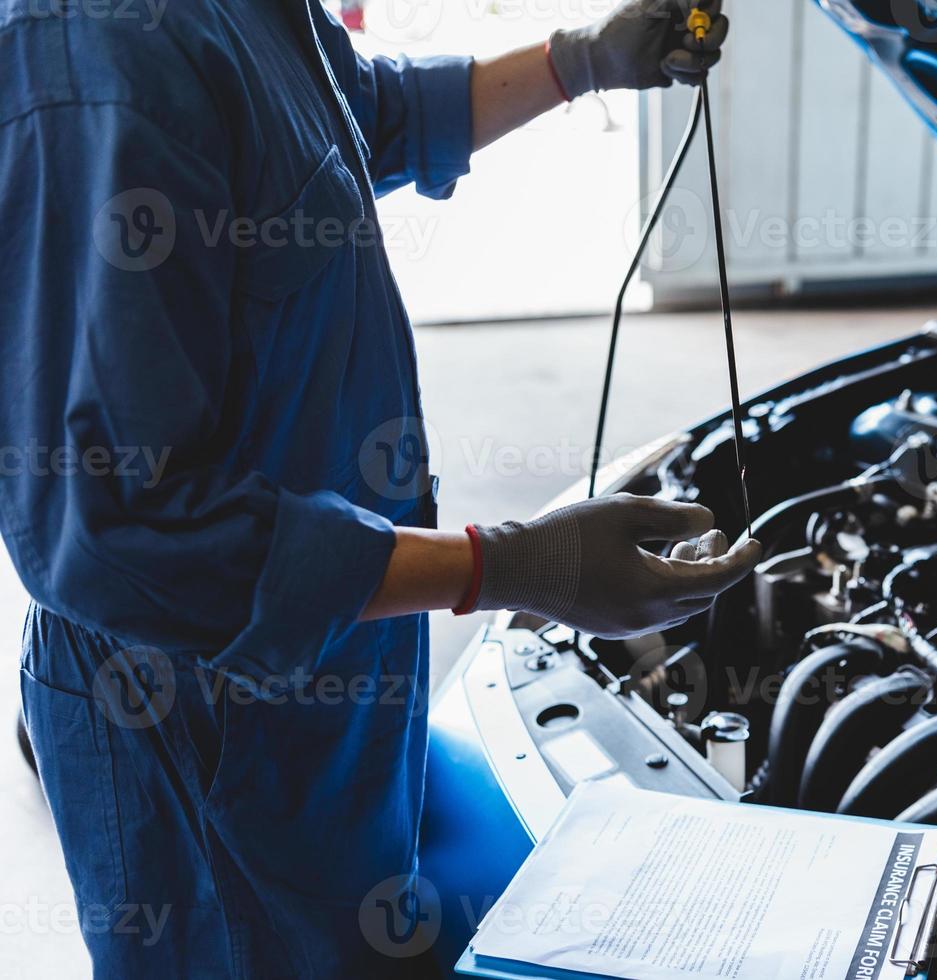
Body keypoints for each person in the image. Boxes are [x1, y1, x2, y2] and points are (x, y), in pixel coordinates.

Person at [0, 0, 748, 975]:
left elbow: (363, 116)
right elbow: (115, 532)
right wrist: (509, 564)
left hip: (330, 672)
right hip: (192, 716)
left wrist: (583, 62)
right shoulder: (98, 59)